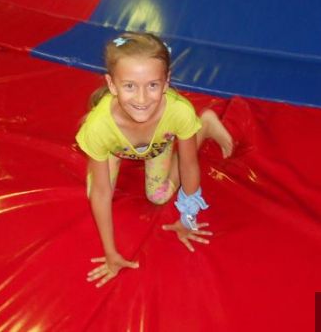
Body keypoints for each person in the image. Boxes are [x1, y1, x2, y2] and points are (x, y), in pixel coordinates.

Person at [77, 32, 234, 287]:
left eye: (152, 85)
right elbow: (101, 193)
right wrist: (110, 252)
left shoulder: (178, 111)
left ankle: (203, 125)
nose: (142, 99)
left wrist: (188, 218)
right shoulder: (98, 127)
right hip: (115, 148)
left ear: (166, 81)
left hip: (158, 144)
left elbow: (189, 165)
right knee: (93, 190)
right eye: (130, 86)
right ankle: (102, 151)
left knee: (158, 196)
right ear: (112, 85)